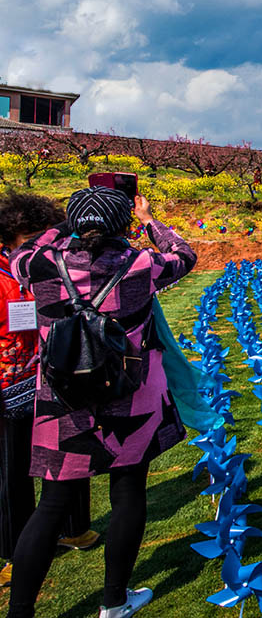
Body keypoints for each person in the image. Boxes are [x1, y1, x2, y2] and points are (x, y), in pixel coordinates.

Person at [7, 187, 197, 618]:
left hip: (63, 399)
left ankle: (19, 613)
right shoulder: (141, 264)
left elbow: (25, 248)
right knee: (128, 493)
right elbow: (183, 254)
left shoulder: (38, 264)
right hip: (130, 398)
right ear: (123, 225)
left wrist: (68, 223)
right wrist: (147, 219)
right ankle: (113, 601)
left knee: (52, 505)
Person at [0, 194, 98, 589]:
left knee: (71, 452)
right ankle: (14, 548)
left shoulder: (58, 263)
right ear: (9, 239)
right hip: (9, 382)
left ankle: (75, 527)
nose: (37, 244)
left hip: (58, 372)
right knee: (12, 469)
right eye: (28, 238)